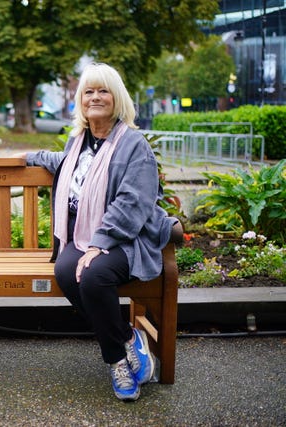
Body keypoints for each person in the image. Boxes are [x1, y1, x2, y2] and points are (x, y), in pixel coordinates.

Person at [16, 62, 176, 401]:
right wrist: (29, 157)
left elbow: (133, 203)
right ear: (80, 101)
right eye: (88, 91)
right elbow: (64, 163)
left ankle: (116, 360)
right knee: (64, 270)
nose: (95, 97)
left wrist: (99, 244)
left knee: (90, 276)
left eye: (103, 90)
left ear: (117, 98)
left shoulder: (134, 145)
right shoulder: (80, 143)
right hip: (83, 236)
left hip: (126, 239)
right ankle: (127, 338)